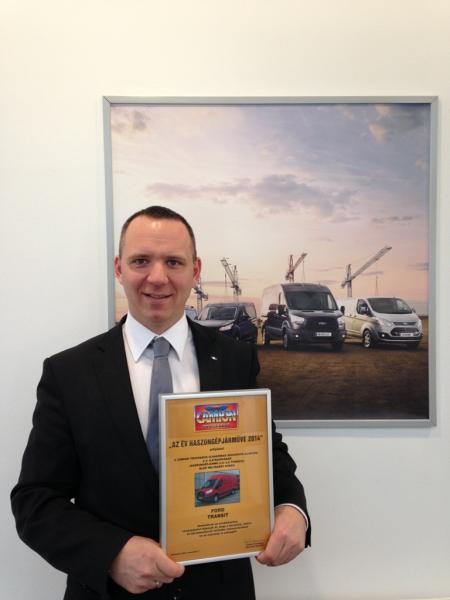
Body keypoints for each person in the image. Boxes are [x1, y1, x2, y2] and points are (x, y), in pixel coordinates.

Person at [11, 206, 310, 600]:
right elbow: (35, 501)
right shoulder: (69, 373)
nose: (157, 277)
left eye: (173, 262)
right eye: (141, 261)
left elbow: (267, 453)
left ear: (195, 270)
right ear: (119, 268)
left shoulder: (235, 358)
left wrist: (292, 507)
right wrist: (111, 553)